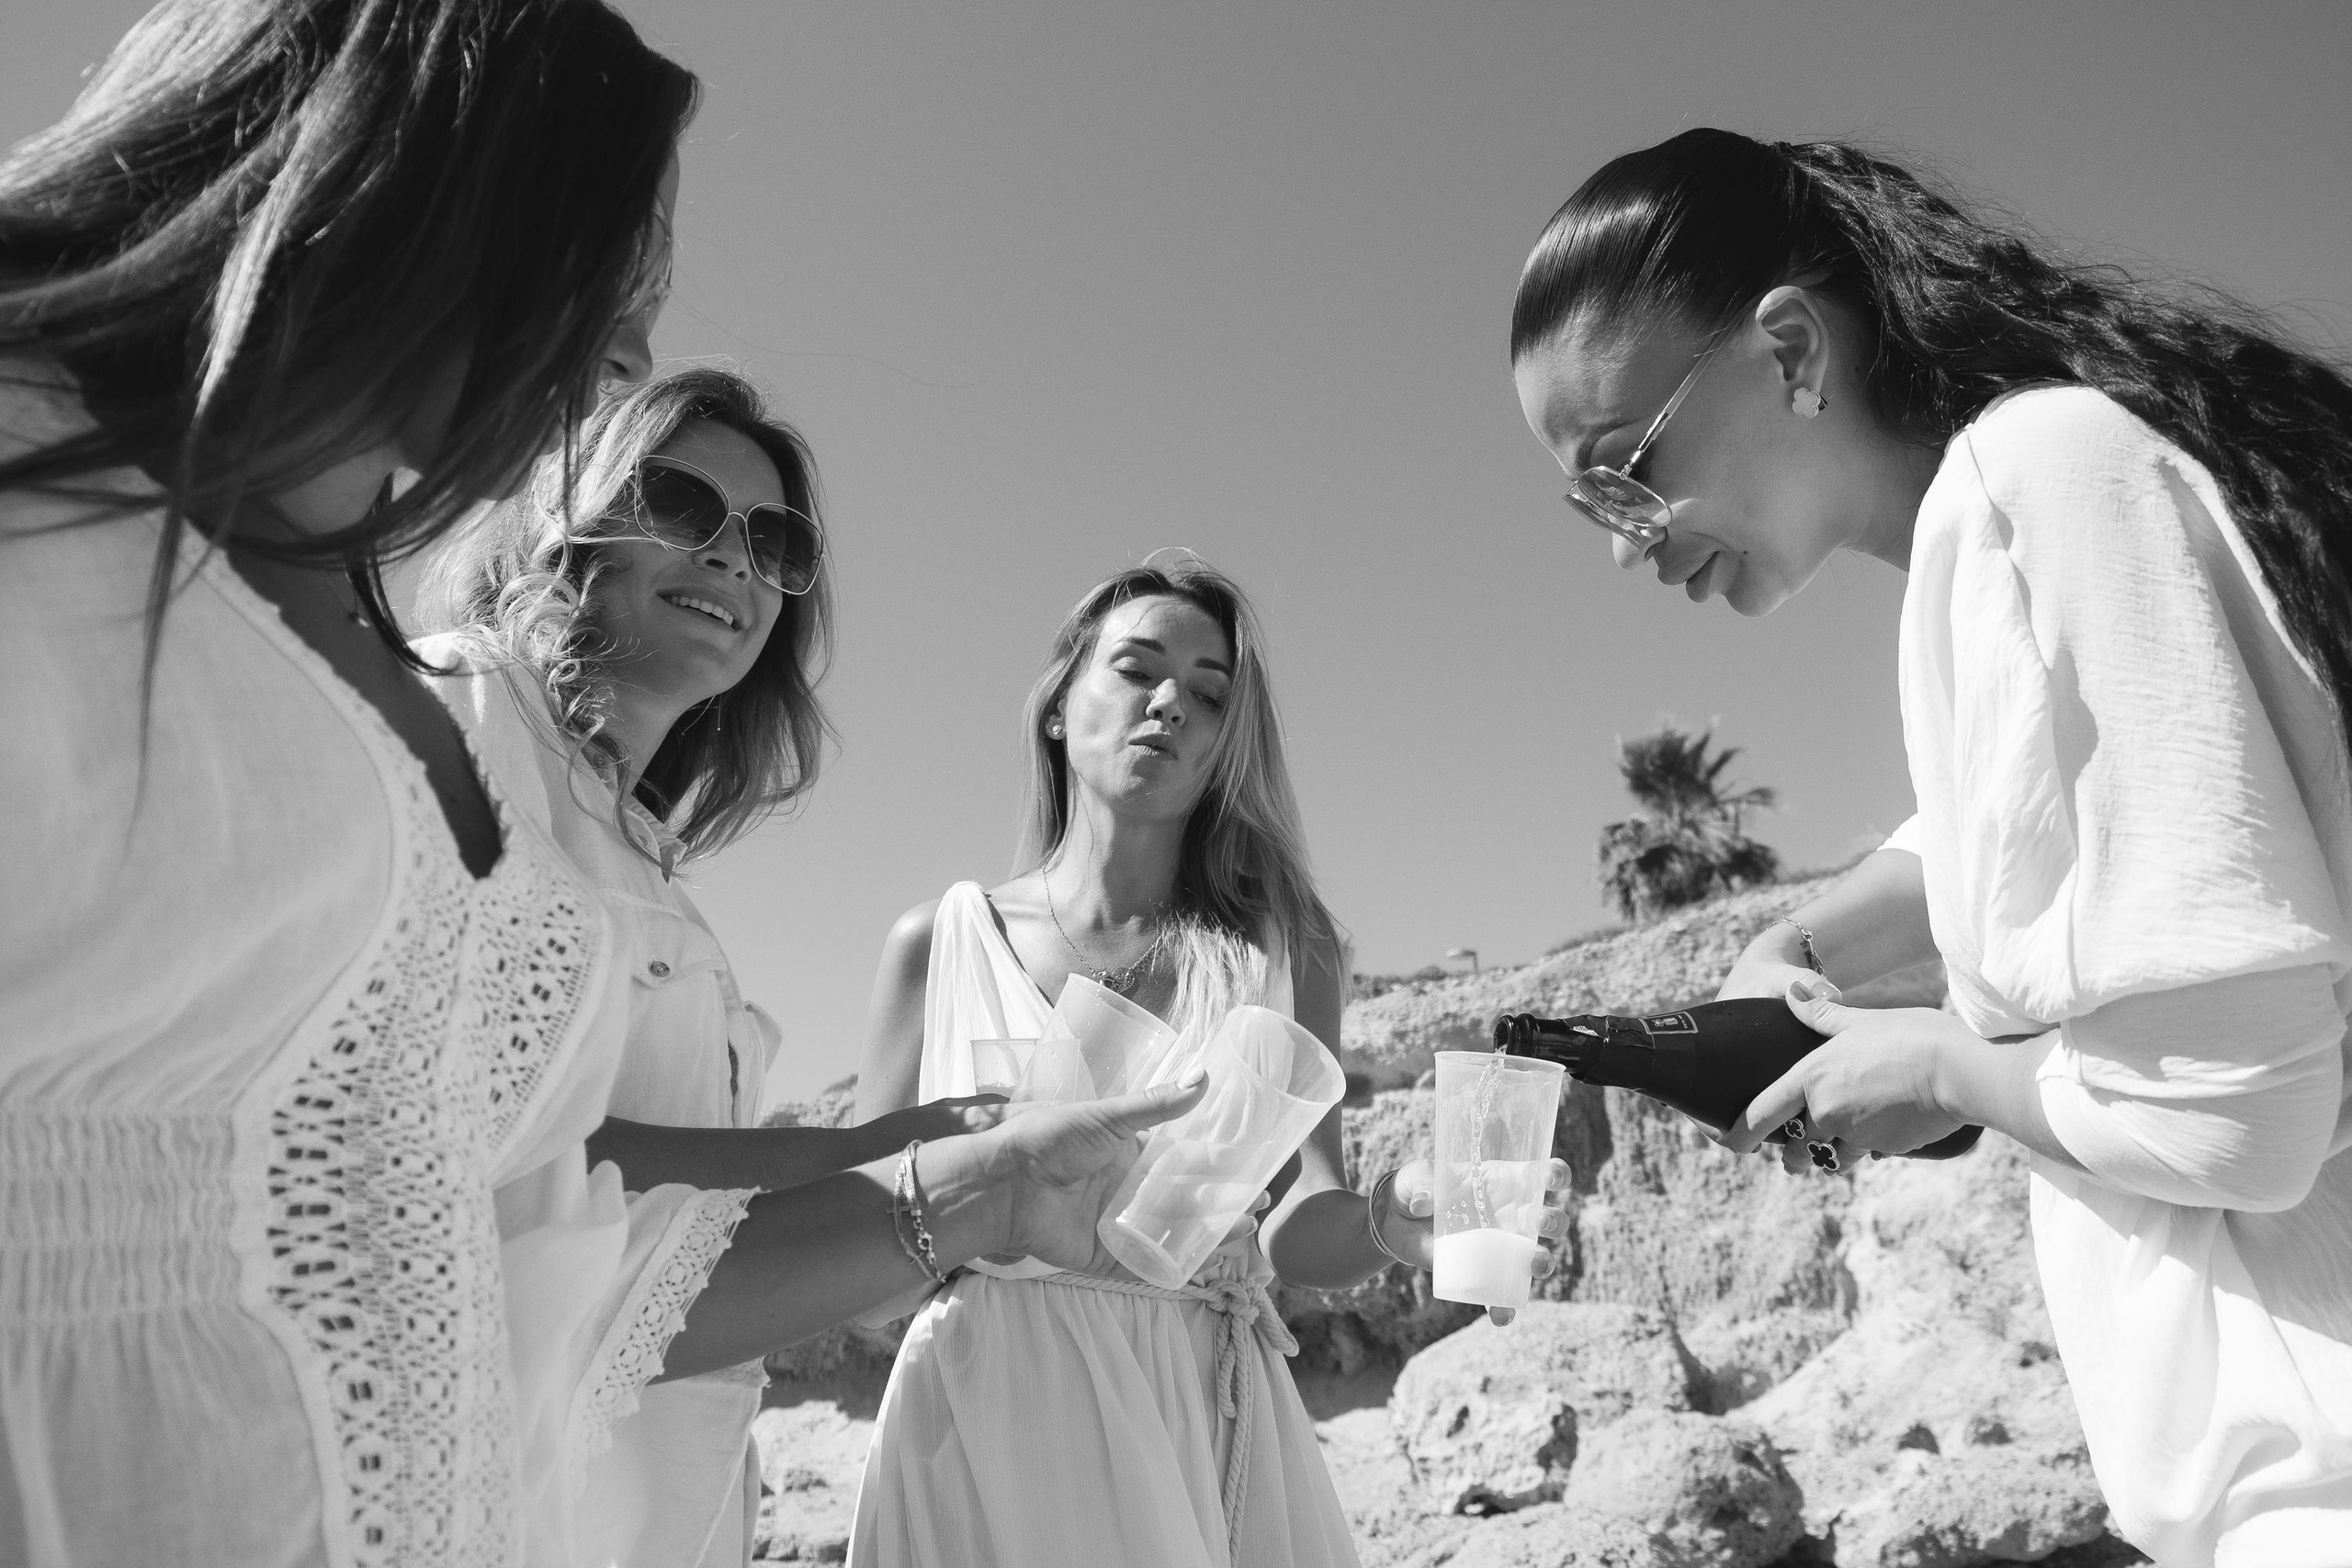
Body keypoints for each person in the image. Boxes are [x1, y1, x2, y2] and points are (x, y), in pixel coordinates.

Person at [0, 6, 1204, 1564]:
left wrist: (962, 1175)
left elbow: (499, 1218)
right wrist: (911, 1168)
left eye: (775, 542)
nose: (626, 348)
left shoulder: (525, 786)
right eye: (682, 502)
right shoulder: (390, 697)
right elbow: (518, 1187)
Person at [1510, 127, 2352, 1566]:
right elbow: (2005, 817)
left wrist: (1936, 1067)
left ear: (1788, 351)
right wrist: (1798, 942)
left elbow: (2237, 1119)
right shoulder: (2045, 481)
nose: (1624, 541)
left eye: (1625, 473)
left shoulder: (2027, 485)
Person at [848, 558, 1568, 1568]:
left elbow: (1297, 1228)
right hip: (973, 1413)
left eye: (1209, 691)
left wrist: (1388, 1219)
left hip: (1191, 1403)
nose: (1169, 702)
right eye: (1136, 668)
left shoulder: (1285, 950)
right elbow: (855, 1264)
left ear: (1229, 741)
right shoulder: (939, 941)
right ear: (1056, 706)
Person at [422, 365, 1001, 1568]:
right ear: (574, 517)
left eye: (776, 542)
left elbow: (657, 1218)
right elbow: (490, 1148)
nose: (735, 557)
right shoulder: (468, 715)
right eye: (684, 505)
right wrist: (872, 1162)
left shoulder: (647, 863)